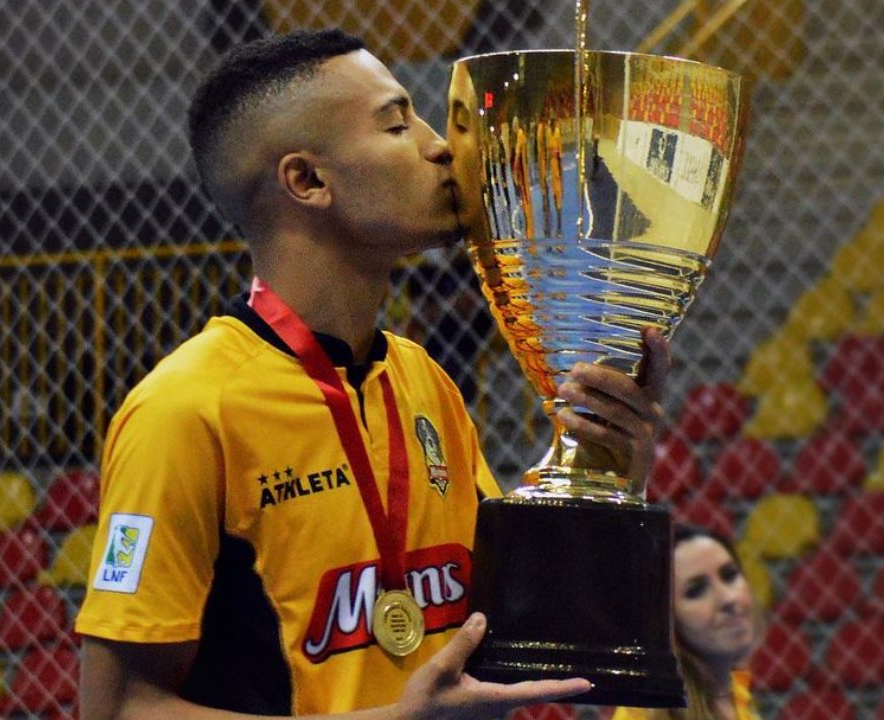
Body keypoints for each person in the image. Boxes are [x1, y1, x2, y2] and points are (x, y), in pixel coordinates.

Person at [76, 28, 672, 720]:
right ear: (307, 181)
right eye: (397, 123)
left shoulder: (422, 378)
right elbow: (117, 708)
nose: (440, 146)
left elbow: (504, 622)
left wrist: (605, 463)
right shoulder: (186, 410)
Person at [612, 524, 763, 720]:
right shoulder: (643, 714)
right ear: (666, 620)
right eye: (696, 591)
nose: (728, 599)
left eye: (730, 575)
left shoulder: (738, 694)